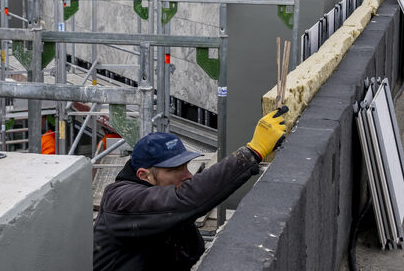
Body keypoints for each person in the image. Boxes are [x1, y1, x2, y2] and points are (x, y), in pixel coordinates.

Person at [93, 107, 288, 271]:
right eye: (176, 169)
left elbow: (192, 253)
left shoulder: (162, 208)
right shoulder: (121, 200)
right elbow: (184, 200)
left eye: (186, 166)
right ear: (144, 175)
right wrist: (253, 152)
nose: (188, 175)